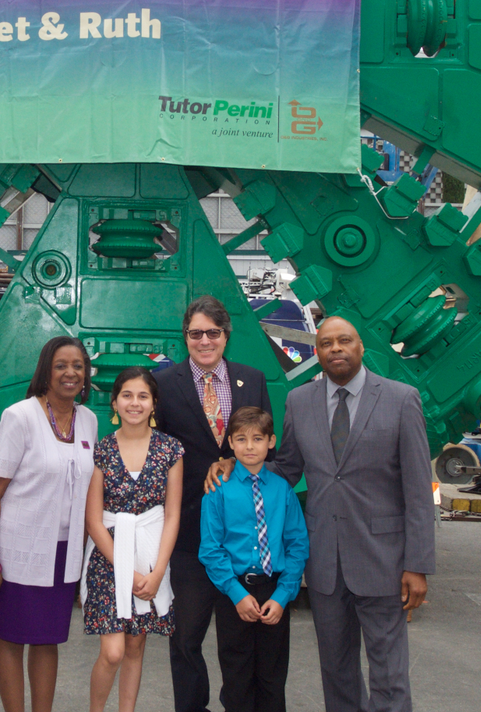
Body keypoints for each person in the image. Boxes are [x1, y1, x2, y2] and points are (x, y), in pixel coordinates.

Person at [209, 315, 436, 712]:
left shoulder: (401, 399)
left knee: (389, 672)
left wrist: (417, 564)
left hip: (383, 560)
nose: (336, 349)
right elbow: (287, 468)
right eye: (327, 343)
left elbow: (418, 490)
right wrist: (236, 465)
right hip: (324, 562)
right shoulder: (300, 401)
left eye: (344, 341)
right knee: (336, 668)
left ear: (361, 346)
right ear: (317, 352)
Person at [153, 295, 268, 712]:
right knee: (185, 639)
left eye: (212, 333)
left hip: (241, 536)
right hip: (188, 534)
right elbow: (156, 453)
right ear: (185, 336)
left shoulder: (252, 380)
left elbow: (267, 450)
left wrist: (234, 459)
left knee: (238, 641)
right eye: (196, 333)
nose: (204, 341)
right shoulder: (164, 385)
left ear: (226, 335)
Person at [0, 336, 99, 711]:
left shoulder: (89, 421)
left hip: (63, 553)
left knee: (48, 638)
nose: (70, 373)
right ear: (45, 371)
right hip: (19, 550)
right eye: (61, 365)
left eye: (78, 366)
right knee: (12, 636)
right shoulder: (20, 416)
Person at [83, 367, 183, 712]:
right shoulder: (102, 450)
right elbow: (94, 520)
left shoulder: (171, 450)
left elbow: (172, 515)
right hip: (108, 558)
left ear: (154, 403)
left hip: (150, 556)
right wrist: (125, 569)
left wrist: (156, 574)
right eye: (127, 395)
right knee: (113, 652)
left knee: (136, 646)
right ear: (114, 402)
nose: (135, 403)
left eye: (143, 396)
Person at [199, 405, 307, 712]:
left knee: (272, 677)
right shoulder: (218, 490)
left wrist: (283, 595)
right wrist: (236, 594)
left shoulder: (283, 490)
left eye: (257, 439)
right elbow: (210, 548)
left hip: (274, 591)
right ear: (230, 444)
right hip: (234, 592)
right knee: (237, 677)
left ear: (271, 442)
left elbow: (297, 544)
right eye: (241, 439)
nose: (250, 446)